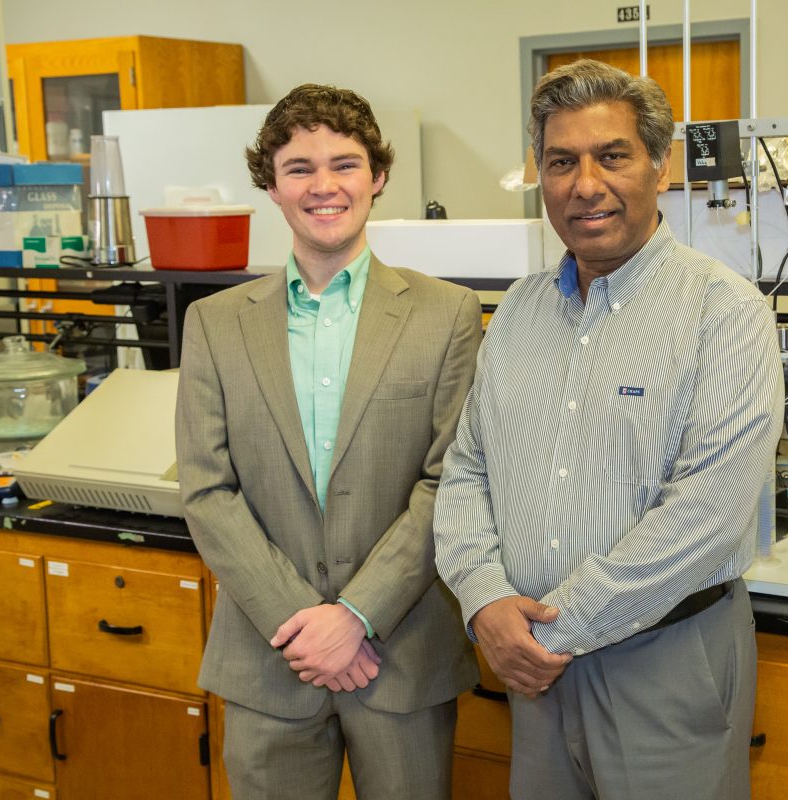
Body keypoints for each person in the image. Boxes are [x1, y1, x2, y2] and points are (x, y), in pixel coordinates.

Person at [434, 59, 783, 800]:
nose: (584, 184)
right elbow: (468, 470)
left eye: (612, 156)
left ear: (660, 165)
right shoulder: (519, 313)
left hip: (663, 661)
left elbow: (708, 515)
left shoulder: (724, 311)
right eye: (561, 162)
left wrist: (543, 635)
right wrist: (484, 598)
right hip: (533, 670)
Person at [177, 83, 481, 800]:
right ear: (271, 187)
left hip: (399, 652)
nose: (324, 186)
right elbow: (207, 490)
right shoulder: (216, 324)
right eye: (299, 168)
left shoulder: (447, 315)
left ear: (377, 178)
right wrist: (301, 622)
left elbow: (452, 481)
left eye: (344, 165)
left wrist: (357, 614)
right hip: (267, 657)